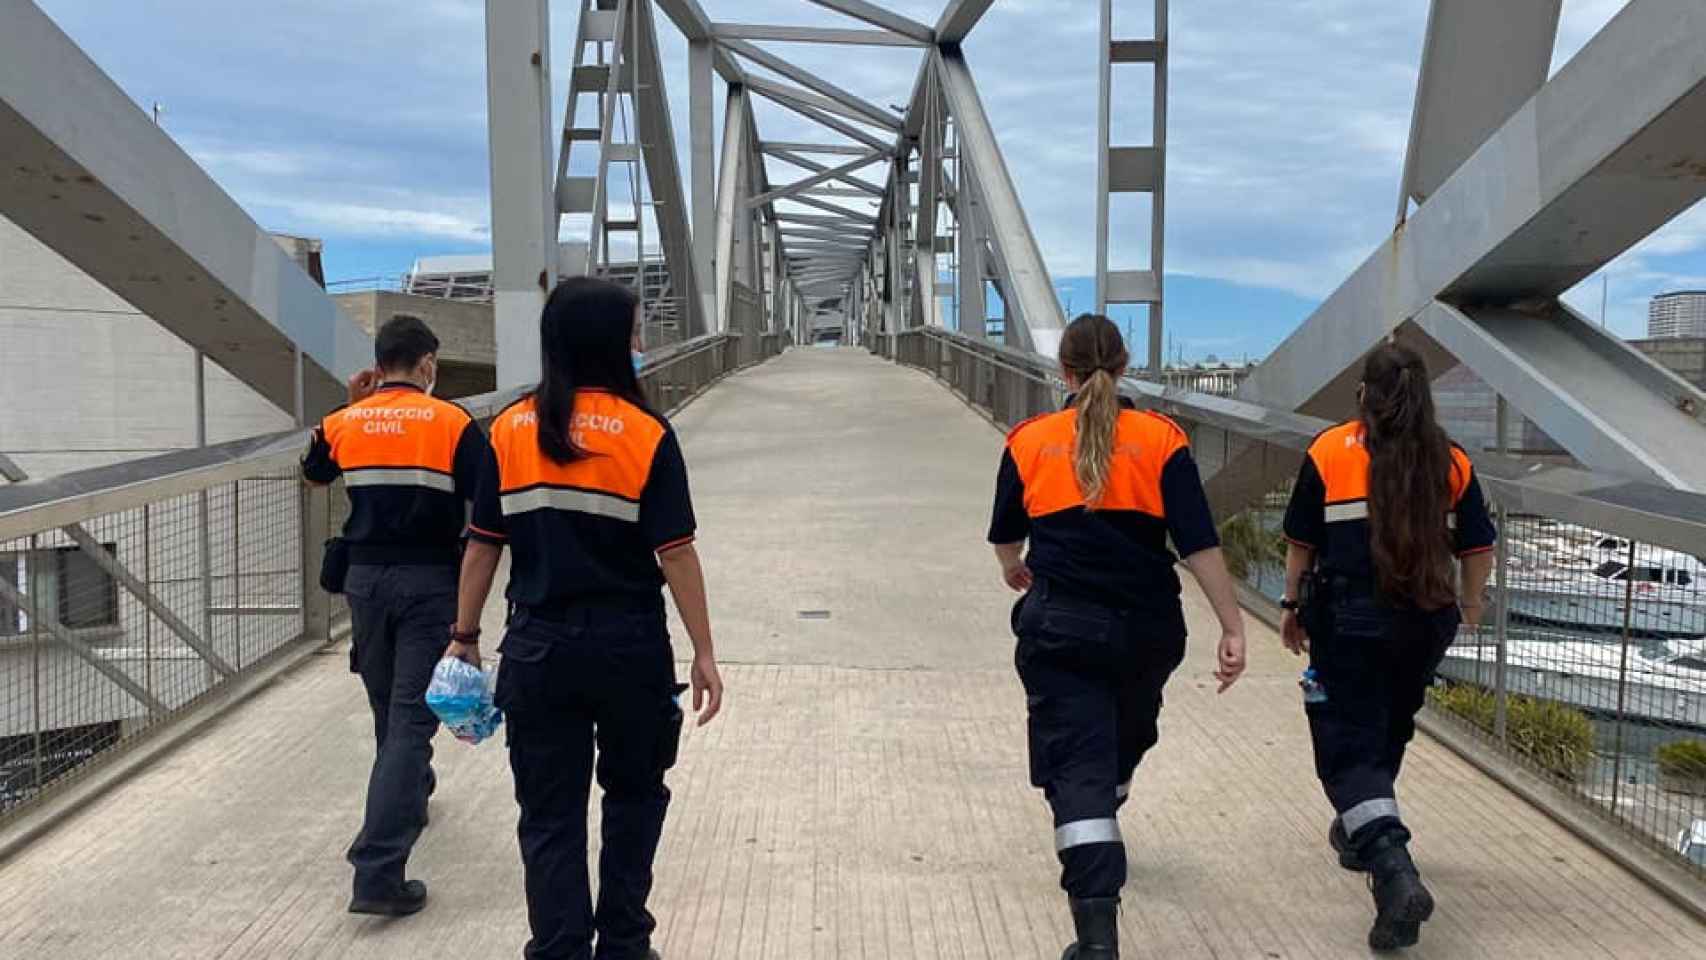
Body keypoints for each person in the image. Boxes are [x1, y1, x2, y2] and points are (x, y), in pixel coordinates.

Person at [448, 276, 724, 960]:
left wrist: (464, 637)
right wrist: (705, 651)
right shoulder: (646, 433)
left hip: (539, 646)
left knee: (548, 812)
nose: (641, 343)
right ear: (607, 339)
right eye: (634, 331)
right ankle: (625, 941)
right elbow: (676, 554)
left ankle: (559, 946)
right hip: (629, 645)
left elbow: (483, 543)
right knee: (634, 795)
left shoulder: (511, 427)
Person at [988, 314, 1248, 960]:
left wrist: (1013, 567)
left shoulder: (1030, 441)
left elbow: (1004, 537)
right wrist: (1233, 625)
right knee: (1119, 746)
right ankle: (1103, 801)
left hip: (1062, 629)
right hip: (1146, 632)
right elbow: (1198, 545)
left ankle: (1097, 938)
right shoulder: (1162, 441)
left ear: (1064, 374)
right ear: (1125, 367)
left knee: (1079, 773)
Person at [1279, 341, 1496, 953]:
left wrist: (1291, 606)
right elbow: (1478, 551)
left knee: (1346, 745)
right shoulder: (1451, 461)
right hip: (1427, 620)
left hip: (1351, 618)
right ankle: (1361, 834)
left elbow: (1301, 543)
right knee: (1389, 727)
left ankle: (1393, 869)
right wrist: (1471, 609)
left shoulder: (1330, 451)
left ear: (1363, 397)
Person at [301, 314, 489, 916]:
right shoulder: (452, 422)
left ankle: (409, 795)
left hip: (364, 584)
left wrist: (352, 407)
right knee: (412, 720)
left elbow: (313, 475)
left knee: (388, 705)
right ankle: (378, 869)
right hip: (430, 583)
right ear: (428, 364)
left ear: (377, 366)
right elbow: (487, 501)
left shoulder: (342, 423)